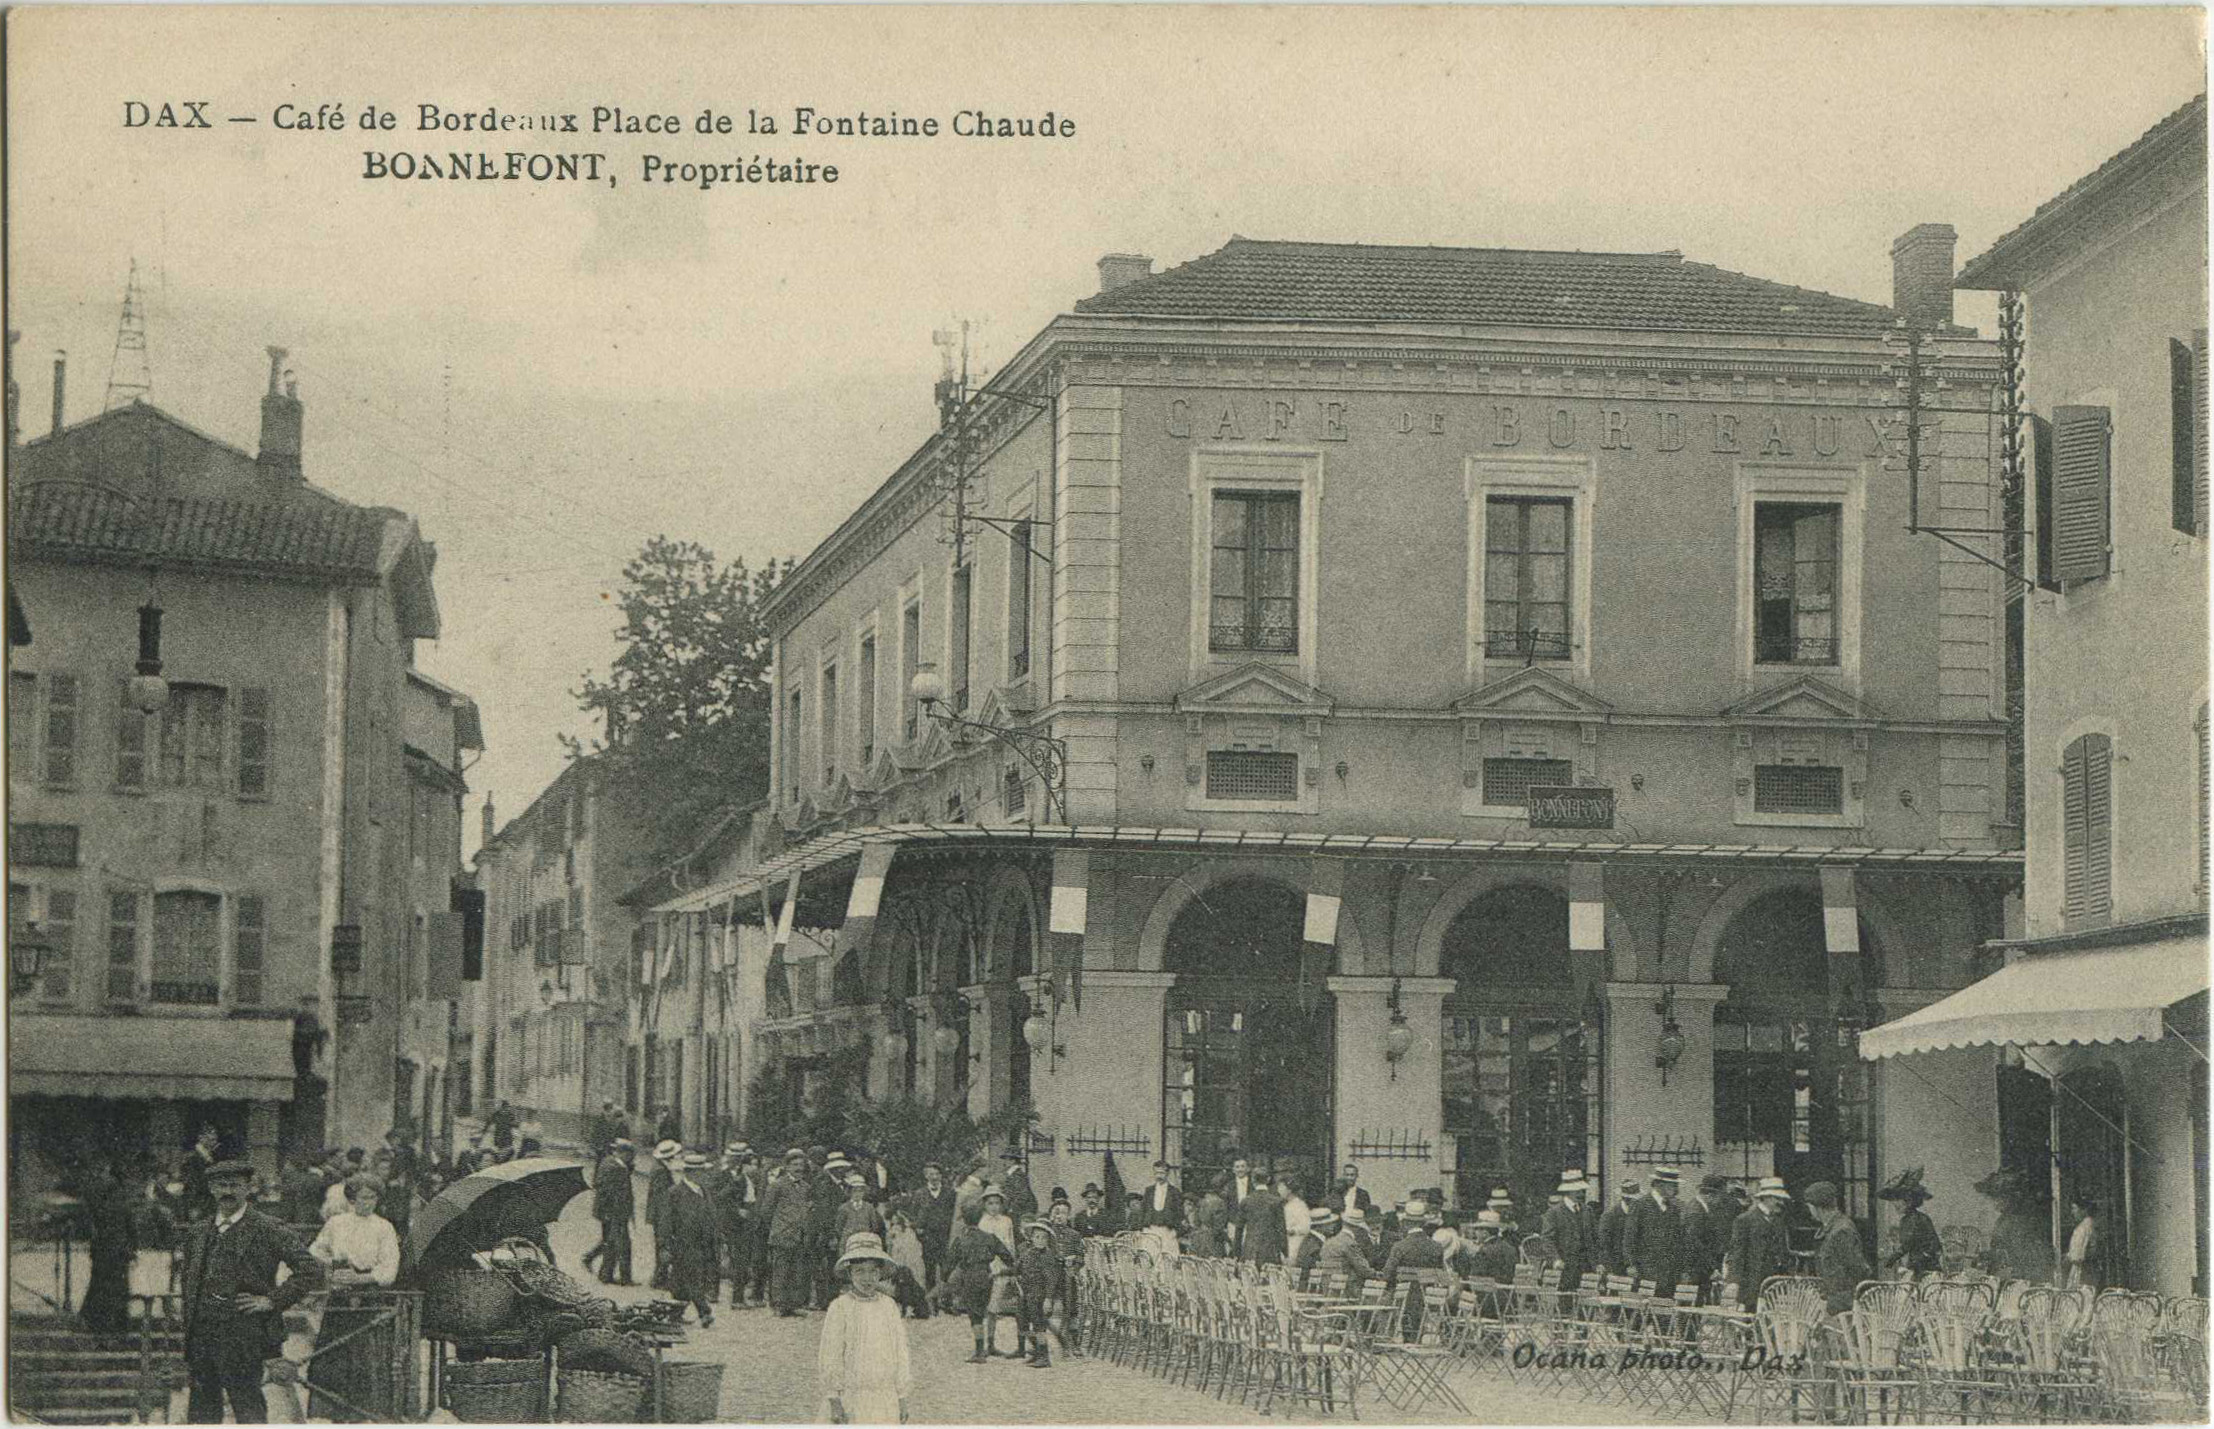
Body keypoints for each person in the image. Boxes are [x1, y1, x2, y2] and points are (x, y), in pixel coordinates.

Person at [179, 1158, 326, 1425]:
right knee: (200, 1413)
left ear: (248, 1188)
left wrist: (271, 1300)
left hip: (244, 1337)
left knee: (249, 1410)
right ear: (211, 1189)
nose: (228, 1192)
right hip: (202, 1337)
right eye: (221, 1185)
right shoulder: (198, 1232)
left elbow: (311, 1270)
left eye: (235, 1185)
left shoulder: (267, 1227)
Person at [306, 1177, 402, 1422]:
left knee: (365, 1355)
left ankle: (366, 1413)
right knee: (334, 1352)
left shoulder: (384, 1227)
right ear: (351, 1199)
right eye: (362, 1197)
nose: (368, 1203)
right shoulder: (337, 1223)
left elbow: (389, 1269)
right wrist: (334, 1267)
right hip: (339, 1296)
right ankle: (332, 1410)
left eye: (373, 1198)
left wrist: (363, 1278)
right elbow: (316, 1249)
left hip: (369, 1296)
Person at [818, 1233, 913, 1424]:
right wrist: (834, 1398)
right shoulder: (840, 1307)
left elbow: (900, 1352)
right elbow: (830, 1354)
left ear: (880, 1273)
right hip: (851, 1396)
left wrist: (902, 1397)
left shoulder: (889, 1306)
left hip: (884, 1397)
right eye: (859, 1271)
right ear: (849, 1273)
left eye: (872, 1271)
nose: (867, 1278)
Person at [946, 1202, 1016, 1363]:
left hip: (969, 1276)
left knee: (975, 1313)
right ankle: (988, 1345)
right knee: (985, 1308)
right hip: (986, 1276)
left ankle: (979, 1351)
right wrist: (1009, 1269)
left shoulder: (961, 1240)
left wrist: (946, 1279)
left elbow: (949, 1263)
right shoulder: (989, 1237)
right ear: (979, 1219)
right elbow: (1007, 1256)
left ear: (964, 1221)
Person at [663, 1152, 722, 1327]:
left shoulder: (704, 1191)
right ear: (690, 1173)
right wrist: (665, 1246)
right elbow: (666, 1222)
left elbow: (711, 1216)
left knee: (682, 1280)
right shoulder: (675, 1193)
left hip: (703, 1243)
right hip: (683, 1243)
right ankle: (705, 1313)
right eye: (702, 1172)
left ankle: (675, 1314)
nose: (705, 1175)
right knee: (693, 1278)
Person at [81, 1157, 138, 1335]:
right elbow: (130, 1225)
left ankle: (95, 1321)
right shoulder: (120, 1198)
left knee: (101, 1285)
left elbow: (94, 1219)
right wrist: (132, 1247)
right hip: (117, 1249)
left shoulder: (100, 1193)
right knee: (116, 1288)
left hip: (105, 1248)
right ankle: (116, 1325)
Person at [763, 1148, 816, 1317]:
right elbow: (766, 1211)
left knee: (797, 1270)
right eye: (794, 1165)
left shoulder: (806, 1187)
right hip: (782, 1234)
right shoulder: (777, 1185)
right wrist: (778, 1228)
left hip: (800, 1235)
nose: (798, 1168)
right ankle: (779, 1304)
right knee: (780, 1270)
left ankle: (794, 1304)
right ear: (786, 1167)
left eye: (801, 1165)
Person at [1805, 1180, 1870, 1315]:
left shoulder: (1841, 1230)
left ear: (1817, 1207)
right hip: (1832, 1301)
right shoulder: (1830, 1228)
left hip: (1843, 1304)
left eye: (1810, 1206)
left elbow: (1859, 1268)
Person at [1727, 1177, 1792, 1310]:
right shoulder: (1745, 1220)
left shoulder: (1779, 1220)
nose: (1780, 1203)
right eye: (1777, 1199)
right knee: (1751, 1319)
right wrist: (1734, 1280)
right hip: (1752, 1282)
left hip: (1774, 1282)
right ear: (1767, 1198)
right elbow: (1737, 1252)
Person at [1625, 1166, 1687, 1296]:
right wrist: (1631, 1264)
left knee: (1665, 1308)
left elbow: (1678, 1240)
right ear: (1659, 1184)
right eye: (1673, 1185)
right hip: (1646, 1269)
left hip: (1670, 1272)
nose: (1676, 1189)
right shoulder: (1640, 1205)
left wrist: (1681, 1268)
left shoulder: (1674, 1209)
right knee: (1646, 1309)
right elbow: (1630, 1237)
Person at [1013, 1220, 1066, 1368]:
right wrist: (1016, 1277)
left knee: (1039, 1326)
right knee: (1022, 1325)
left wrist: (1048, 1299)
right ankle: (1037, 1350)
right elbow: (1017, 1268)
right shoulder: (1027, 1253)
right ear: (1031, 1238)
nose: (1040, 1240)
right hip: (1026, 1293)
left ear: (1048, 1240)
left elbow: (1051, 1280)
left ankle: (1044, 1357)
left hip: (1040, 1294)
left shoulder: (1048, 1257)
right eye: (1037, 1237)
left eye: (1044, 1237)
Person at [714, 1144, 761, 1307]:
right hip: (731, 1222)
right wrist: (737, 1210)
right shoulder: (729, 1176)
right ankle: (735, 1298)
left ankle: (739, 1297)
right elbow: (719, 1197)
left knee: (742, 1260)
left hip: (746, 1221)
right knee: (737, 1259)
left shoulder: (748, 1178)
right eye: (734, 1157)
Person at [586, 1139, 635, 1285]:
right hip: (615, 1212)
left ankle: (606, 1274)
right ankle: (623, 1278)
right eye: (630, 1155)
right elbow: (608, 1192)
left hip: (610, 1212)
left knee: (611, 1243)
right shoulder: (615, 1167)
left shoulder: (609, 1162)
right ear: (624, 1153)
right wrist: (611, 1212)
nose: (632, 1158)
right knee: (621, 1244)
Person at [1878, 1167, 1942, 1279]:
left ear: (1909, 1200)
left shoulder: (1920, 1219)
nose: (1894, 1204)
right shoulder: (1905, 1220)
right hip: (1915, 1267)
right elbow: (1906, 1246)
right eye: (1893, 1200)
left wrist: (1892, 1258)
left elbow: (1934, 1246)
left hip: (1928, 1270)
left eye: (1898, 1199)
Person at [1682, 1172, 1731, 1303]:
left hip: (1699, 1268)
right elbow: (1695, 1243)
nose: (1720, 1201)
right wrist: (1712, 1267)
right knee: (1691, 1306)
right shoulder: (1696, 1212)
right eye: (1720, 1196)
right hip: (1695, 1269)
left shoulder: (1699, 1208)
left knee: (1695, 1306)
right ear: (1710, 1195)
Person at [912, 1162, 958, 1290]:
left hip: (945, 1235)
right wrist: (918, 1230)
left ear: (941, 1176)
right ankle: (931, 1301)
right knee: (929, 1269)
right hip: (928, 1237)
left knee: (946, 1268)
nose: (934, 1177)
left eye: (937, 1174)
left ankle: (945, 1300)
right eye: (931, 1174)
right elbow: (913, 1214)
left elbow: (954, 1213)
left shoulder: (949, 1193)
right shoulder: (920, 1194)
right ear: (926, 1176)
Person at [1542, 1172, 1590, 1289]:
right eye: (1577, 1190)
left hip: (1585, 1267)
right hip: (1564, 1267)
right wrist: (1556, 1260)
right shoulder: (1554, 1213)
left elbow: (1593, 1238)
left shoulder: (1587, 1211)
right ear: (1569, 1191)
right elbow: (1547, 1239)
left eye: (1582, 1190)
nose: (1581, 1193)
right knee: (1565, 1301)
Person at [1239, 1163, 1287, 1267]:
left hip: (1249, 1249)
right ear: (1268, 1179)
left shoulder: (1245, 1201)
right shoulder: (1276, 1202)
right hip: (1270, 1250)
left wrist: (1236, 1253)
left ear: (1252, 1180)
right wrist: (1284, 1252)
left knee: (1248, 1279)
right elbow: (1281, 1229)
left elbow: (1239, 1229)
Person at [1132, 1160, 1184, 1259]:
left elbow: (1179, 1213)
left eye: (1162, 1173)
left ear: (1167, 1173)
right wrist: (1140, 1228)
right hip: (1150, 1229)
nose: (1158, 1176)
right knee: (1149, 1257)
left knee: (1168, 1258)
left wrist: (1175, 1231)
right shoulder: (1149, 1191)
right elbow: (1143, 1210)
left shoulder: (1174, 1192)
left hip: (1167, 1230)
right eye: (1156, 1173)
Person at [646, 1139, 679, 1289]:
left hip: (658, 1214)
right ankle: (659, 1279)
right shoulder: (661, 1171)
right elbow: (662, 1197)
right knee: (663, 1246)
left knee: (662, 1245)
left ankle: (660, 1277)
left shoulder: (659, 1168)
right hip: (661, 1215)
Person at [1317, 1206, 1377, 1283]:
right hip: (1347, 1288)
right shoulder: (1350, 1243)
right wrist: (1379, 1275)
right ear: (1357, 1228)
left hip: (1327, 1286)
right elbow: (1364, 1270)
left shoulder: (1328, 1242)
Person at [2064, 1194, 2110, 1291]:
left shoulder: (2087, 1226)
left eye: (2074, 1208)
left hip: (2085, 1270)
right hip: (2080, 1269)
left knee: (2082, 1297)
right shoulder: (2082, 1226)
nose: (2072, 1212)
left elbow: (2082, 1252)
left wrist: (2071, 1257)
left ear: (2083, 1210)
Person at [1598, 1177, 1639, 1278]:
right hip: (1616, 1267)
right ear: (1625, 1198)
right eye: (1631, 1199)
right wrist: (1608, 1267)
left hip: (1636, 1268)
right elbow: (1604, 1244)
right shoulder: (1610, 1216)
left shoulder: (1639, 1214)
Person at [180, 1127, 221, 1224]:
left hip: (207, 1199)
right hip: (197, 1201)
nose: (215, 1143)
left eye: (215, 1140)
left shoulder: (210, 1156)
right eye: (211, 1139)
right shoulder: (193, 1157)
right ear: (201, 1138)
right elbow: (193, 1182)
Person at [1467, 1210, 1521, 1282]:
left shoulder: (1484, 1252)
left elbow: (1475, 1278)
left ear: (1485, 1233)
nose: (1475, 1232)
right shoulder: (1510, 1248)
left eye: (1477, 1229)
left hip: (1488, 1291)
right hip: (1507, 1291)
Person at [836, 1172, 889, 1245]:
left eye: (860, 1191)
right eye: (854, 1191)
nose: (857, 1194)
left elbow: (874, 1226)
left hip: (865, 1240)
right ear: (850, 1192)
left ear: (864, 1192)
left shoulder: (869, 1207)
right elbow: (839, 1227)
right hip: (848, 1241)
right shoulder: (844, 1208)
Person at [1188, 1176, 1229, 1258]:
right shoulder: (1220, 1202)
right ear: (1223, 1187)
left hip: (1199, 1237)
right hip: (1212, 1239)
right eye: (1227, 1187)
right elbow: (1218, 1226)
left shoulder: (1203, 1200)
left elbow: (1196, 1221)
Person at [1293, 1206, 1336, 1278]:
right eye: (1329, 1223)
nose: (1333, 1226)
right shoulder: (1316, 1246)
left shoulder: (1309, 1240)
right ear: (1320, 1226)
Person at [1277, 1170, 1311, 1261]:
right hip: (1286, 1243)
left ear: (1289, 1189)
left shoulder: (1299, 1205)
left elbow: (1306, 1226)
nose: (1279, 1190)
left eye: (1281, 1187)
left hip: (1295, 1243)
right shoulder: (1286, 1205)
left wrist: (1292, 1230)